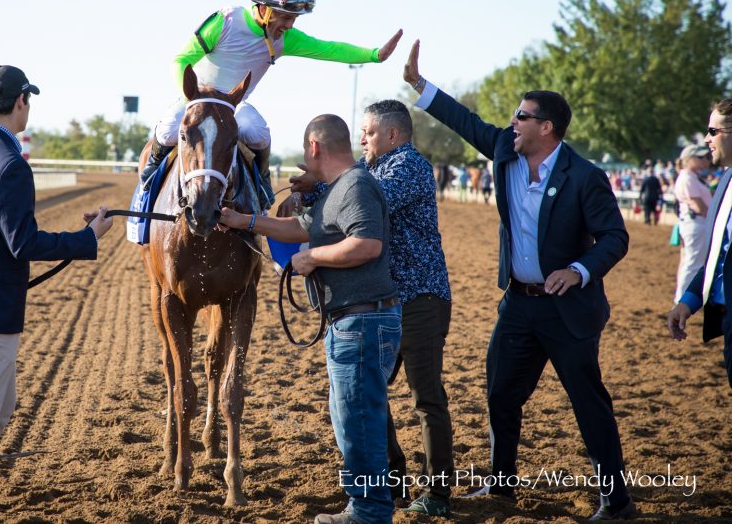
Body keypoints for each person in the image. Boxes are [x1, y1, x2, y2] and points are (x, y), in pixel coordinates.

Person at [403, 41, 635, 521]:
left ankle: (617, 501)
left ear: (546, 127)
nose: (513, 121)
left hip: (569, 309)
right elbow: (465, 122)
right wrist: (420, 86)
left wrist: (578, 270)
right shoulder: (505, 152)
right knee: (500, 393)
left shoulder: (584, 176)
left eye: (522, 115)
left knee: (588, 402)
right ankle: (502, 484)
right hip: (518, 304)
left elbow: (615, 237)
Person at [0, 66, 114, 523]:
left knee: (0, 408)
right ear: (22, 102)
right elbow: (23, 243)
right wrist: (87, 237)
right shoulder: (10, 164)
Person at [221, 114, 399, 524]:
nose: (304, 157)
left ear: (315, 148)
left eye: (305, 150)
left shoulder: (355, 186)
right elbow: (300, 227)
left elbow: (367, 244)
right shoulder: (340, 189)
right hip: (353, 323)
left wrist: (312, 258)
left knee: (359, 423)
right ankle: (365, 506)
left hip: (363, 323)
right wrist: (244, 221)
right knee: (350, 420)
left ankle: (370, 513)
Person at [283, 100, 454, 517]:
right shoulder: (372, 170)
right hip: (390, 298)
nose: (362, 139)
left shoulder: (407, 167)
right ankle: (390, 483)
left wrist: (318, 185)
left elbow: (362, 195)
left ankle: (436, 492)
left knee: (424, 396)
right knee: (369, 395)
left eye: (369, 133)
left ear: (393, 135)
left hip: (420, 298)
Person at [140, 0, 403, 206]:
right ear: (264, 9)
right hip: (197, 99)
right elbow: (181, 60)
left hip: (234, 105)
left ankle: (262, 181)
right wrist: (193, 99)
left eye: (293, 19)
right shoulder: (226, 21)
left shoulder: (285, 39)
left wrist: (374, 54)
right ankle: (150, 175)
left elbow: (329, 49)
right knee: (166, 129)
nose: (289, 25)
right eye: (285, 17)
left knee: (259, 132)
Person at [666, 100, 732, 389]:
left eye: (712, 130)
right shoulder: (726, 180)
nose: (706, 139)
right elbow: (719, 255)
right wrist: (689, 301)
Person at [672, 144, 713, 303]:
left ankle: (682, 297)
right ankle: (683, 299)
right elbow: (699, 206)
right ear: (689, 160)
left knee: (690, 262)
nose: (705, 160)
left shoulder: (690, 176)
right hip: (696, 222)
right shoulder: (688, 177)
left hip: (693, 223)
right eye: (701, 157)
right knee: (693, 264)